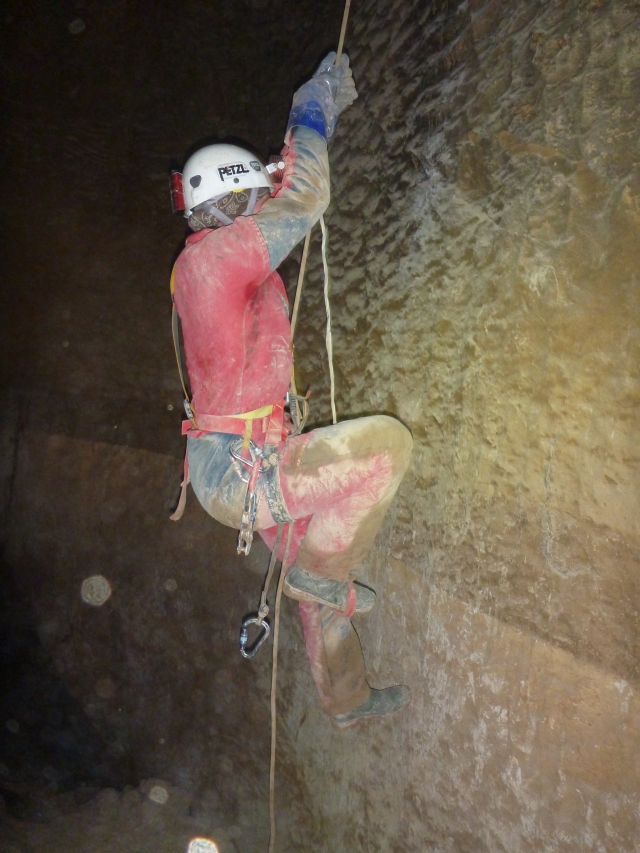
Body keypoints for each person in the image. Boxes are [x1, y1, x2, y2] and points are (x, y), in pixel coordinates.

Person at [169, 53, 412, 728]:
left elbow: (281, 205)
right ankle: (322, 579)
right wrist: (310, 117)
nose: (266, 206)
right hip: (241, 469)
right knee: (386, 448)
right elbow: (304, 201)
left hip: (246, 461)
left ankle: (347, 698)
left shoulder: (210, 266)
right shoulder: (214, 261)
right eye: (257, 196)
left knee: (321, 559)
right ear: (236, 200)